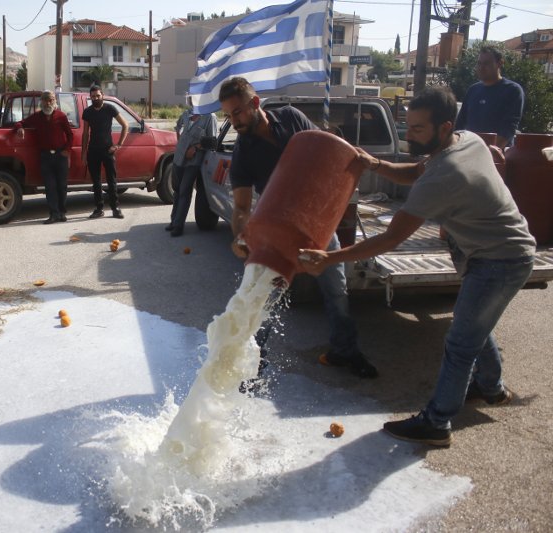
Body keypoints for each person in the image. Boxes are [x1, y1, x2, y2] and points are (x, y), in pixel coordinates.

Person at [299, 87, 535, 447]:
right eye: (408, 126)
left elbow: (390, 239)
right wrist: (376, 164)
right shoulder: (466, 141)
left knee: (460, 342)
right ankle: (491, 387)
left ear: (444, 126)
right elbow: (416, 171)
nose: (409, 134)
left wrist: (330, 258)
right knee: (472, 322)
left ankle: (437, 423)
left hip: (499, 260)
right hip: (497, 252)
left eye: (418, 129)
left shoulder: (446, 173)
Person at [218, 77, 377, 381]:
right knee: (265, 295)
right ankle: (254, 364)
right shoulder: (243, 152)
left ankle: (344, 350)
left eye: (237, 112)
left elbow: (323, 150)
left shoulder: (291, 118)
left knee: (336, 289)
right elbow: (241, 207)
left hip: (316, 223)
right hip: (277, 229)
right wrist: (240, 237)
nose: (233, 121)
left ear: (255, 103)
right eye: (227, 115)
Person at [16, 90, 73, 224]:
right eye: (45, 100)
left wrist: (67, 150)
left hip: (60, 155)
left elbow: (70, 135)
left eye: (51, 100)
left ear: (54, 101)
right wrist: (20, 128)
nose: (48, 103)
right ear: (41, 102)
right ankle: (53, 214)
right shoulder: (37, 116)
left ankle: (62, 213)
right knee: (50, 186)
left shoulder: (61, 116)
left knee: (62, 186)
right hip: (45, 157)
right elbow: (21, 122)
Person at [165, 96, 217, 237]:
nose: (194, 100)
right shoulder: (187, 114)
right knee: (176, 190)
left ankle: (178, 225)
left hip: (193, 161)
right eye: (192, 97)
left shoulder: (209, 117)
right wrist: (182, 145)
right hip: (179, 158)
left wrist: (195, 147)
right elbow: (178, 128)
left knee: (184, 191)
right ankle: (173, 220)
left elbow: (212, 141)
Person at [454, 46, 524, 150]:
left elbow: (509, 127)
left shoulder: (512, 90)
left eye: (486, 63)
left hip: (496, 156)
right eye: (479, 63)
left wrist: (491, 152)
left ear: (500, 63)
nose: (481, 67)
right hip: (469, 152)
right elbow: (460, 125)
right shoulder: (473, 90)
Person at [81, 84, 128, 219]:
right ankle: (99, 209)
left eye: (98, 95)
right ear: (90, 98)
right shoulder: (88, 112)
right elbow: (85, 134)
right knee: (96, 182)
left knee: (111, 181)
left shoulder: (110, 109)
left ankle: (115, 208)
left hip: (108, 150)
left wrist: (118, 145)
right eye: (93, 96)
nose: (96, 98)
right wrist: (84, 153)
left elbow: (125, 125)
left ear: (102, 95)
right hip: (93, 150)